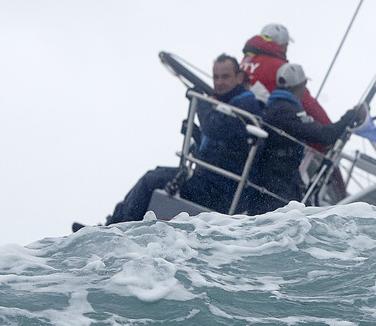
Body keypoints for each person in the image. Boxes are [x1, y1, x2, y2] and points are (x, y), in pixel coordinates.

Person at [103, 56, 263, 224]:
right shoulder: (227, 104)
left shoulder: (245, 103)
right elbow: (222, 144)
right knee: (155, 174)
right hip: (212, 182)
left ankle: (121, 227)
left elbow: (215, 128)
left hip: (222, 190)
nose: (219, 82)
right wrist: (195, 133)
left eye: (225, 77)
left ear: (239, 77)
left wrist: (200, 101)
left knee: (152, 180)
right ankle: (115, 222)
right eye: (216, 77)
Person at [243, 62, 366, 215]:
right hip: (278, 182)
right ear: (303, 85)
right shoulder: (287, 111)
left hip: (272, 178)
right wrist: (351, 115)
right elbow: (325, 135)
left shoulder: (274, 106)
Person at [240, 23, 332, 125]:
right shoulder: (280, 68)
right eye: (287, 45)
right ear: (283, 45)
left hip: (239, 117)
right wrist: (328, 127)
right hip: (263, 124)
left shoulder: (243, 62)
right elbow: (305, 100)